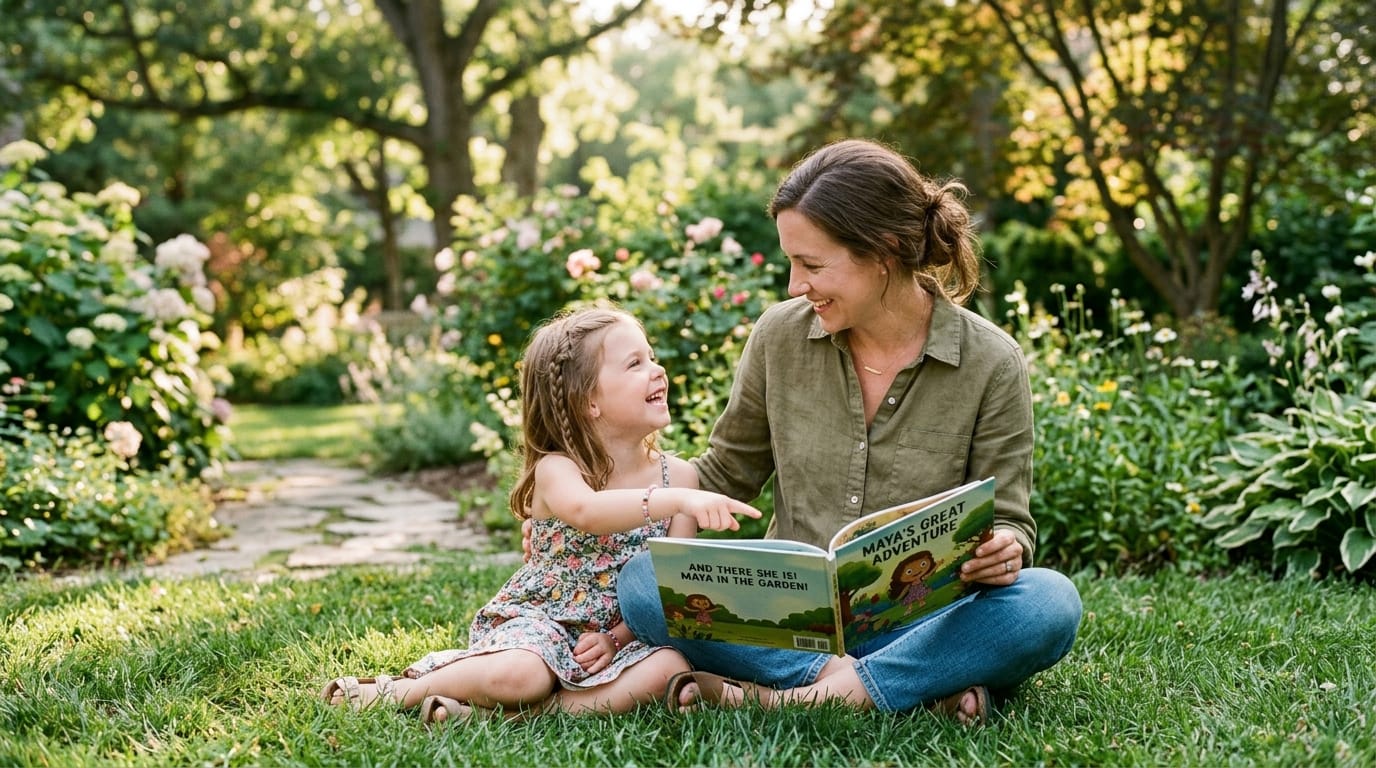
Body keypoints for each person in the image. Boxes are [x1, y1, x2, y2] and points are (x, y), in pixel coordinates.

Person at [604, 138, 1082, 725]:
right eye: (790, 262)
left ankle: (790, 697)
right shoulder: (779, 337)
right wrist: (591, 495)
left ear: (883, 252)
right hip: (790, 616)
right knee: (643, 583)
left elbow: (1010, 520)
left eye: (811, 264)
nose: (792, 285)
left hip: (925, 617)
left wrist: (1005, 550)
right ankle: (905, 687)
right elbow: (725, 476)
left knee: (1049, 603)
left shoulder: (990, 362)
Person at [321, 305, 761, 724]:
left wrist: (616, 638)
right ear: (589, 401)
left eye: (652, 357)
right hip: (543, 622)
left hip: (616, 636)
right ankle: (403, 690)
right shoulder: (559, 468)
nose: (657, 369)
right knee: (523, 676)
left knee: (670, 666)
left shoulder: (680, 475)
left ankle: (526, 714)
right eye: (635, 364)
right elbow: (587, 512)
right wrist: (674, 501)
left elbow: (671, 585)